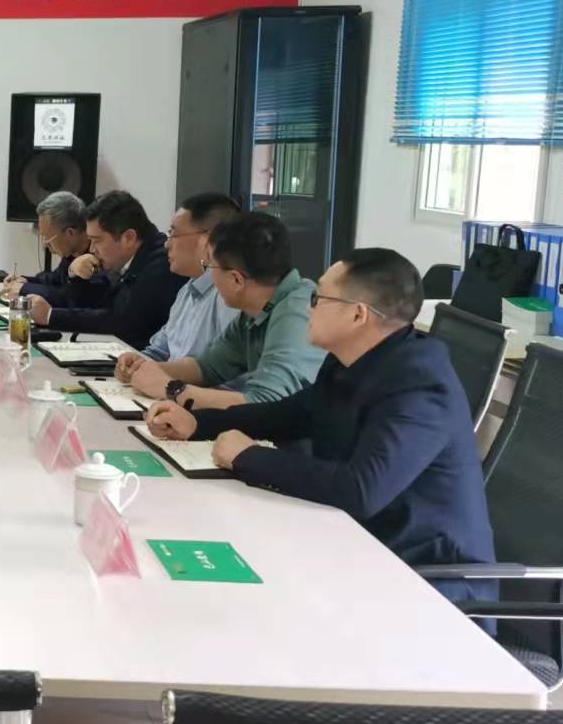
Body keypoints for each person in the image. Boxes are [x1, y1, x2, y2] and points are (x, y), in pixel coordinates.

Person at [143, 249, 496, 604]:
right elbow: (293, 414)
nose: (308, 308)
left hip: (424, 584)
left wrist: (247, 457)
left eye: (319, 298)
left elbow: (361, 490)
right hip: (353, 547)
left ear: (357, 314)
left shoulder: (419, 386)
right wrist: (197, 423)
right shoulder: (354, 360)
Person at [121, 211, 326, 409]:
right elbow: (208, 368)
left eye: (210, 266)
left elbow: (264, 403)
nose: (208, 275)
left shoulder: (296, 313)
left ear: (236, 280)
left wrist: (171, 389)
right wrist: (146, 369)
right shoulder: (256, 310)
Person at [24, 190, 186, 350]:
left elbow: (122, 322)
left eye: (97, 241)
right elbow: (99, 306)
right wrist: (75, 276)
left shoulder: (160, 265)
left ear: (128, 238)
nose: (92, 249)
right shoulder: (135, 259)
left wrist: (50, 316)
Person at [112, 192, 242, 379]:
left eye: (174, 234)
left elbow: (229, 379)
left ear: (208, 240)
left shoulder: (230, 299)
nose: (166, 244)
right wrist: (136, 362)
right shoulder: (187, 290)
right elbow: (159, 352)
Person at [0, 191, 91, 306]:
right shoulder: (72, 251)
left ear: (70, 233)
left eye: (48, 237)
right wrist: (25, 280)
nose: (45, 244)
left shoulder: (96, 255)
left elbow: (70, 299)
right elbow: (54, 280)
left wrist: (24, 289)